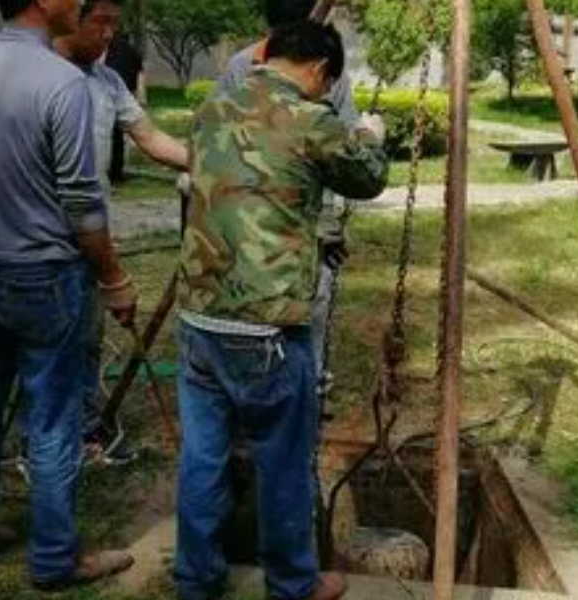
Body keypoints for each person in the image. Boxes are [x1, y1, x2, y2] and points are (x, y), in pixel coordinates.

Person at [176, 20, 388, 600]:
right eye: (328, 84)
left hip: (197, 315)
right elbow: (368, 179)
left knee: (203, 458)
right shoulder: (312, 119)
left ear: (267, 54)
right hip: (264, 325)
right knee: (284, 462)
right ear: (320, 70)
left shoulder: (213, 108)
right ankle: (294, 582)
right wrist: (369, 132)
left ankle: (195, 579)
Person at [0, 0, 135, 589]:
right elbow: (81, 198)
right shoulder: (61, 81)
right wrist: (114, 276)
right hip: (44, 274)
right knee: (52, 419)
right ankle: (55, 557)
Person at [54, 0, 188, 464]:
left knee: (87, 336)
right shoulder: (43, 78)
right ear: (72, 16)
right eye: (100, 22)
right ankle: (46, 440)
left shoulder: (108, 81)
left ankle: (84, 430)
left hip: (92, 234)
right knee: (49, 346)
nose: (110, 33)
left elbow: (150, 138)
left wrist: (214, 163)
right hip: (46, 238)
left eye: (116, 23)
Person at [216, 0, 360, 388]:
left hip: (248, 206)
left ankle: (299, 376)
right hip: (286, 211)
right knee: (302, 295)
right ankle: (294, 381)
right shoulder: (250, 67)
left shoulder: (241, 67)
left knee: (299, 295)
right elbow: (348, 152)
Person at [105, 32, 145, 183]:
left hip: (108, 93)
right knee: (118, 137)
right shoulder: (132, 51)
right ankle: (116, 173)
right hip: (124, 93)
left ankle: (109, 172)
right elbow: (138, 71)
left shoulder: (109, 49)